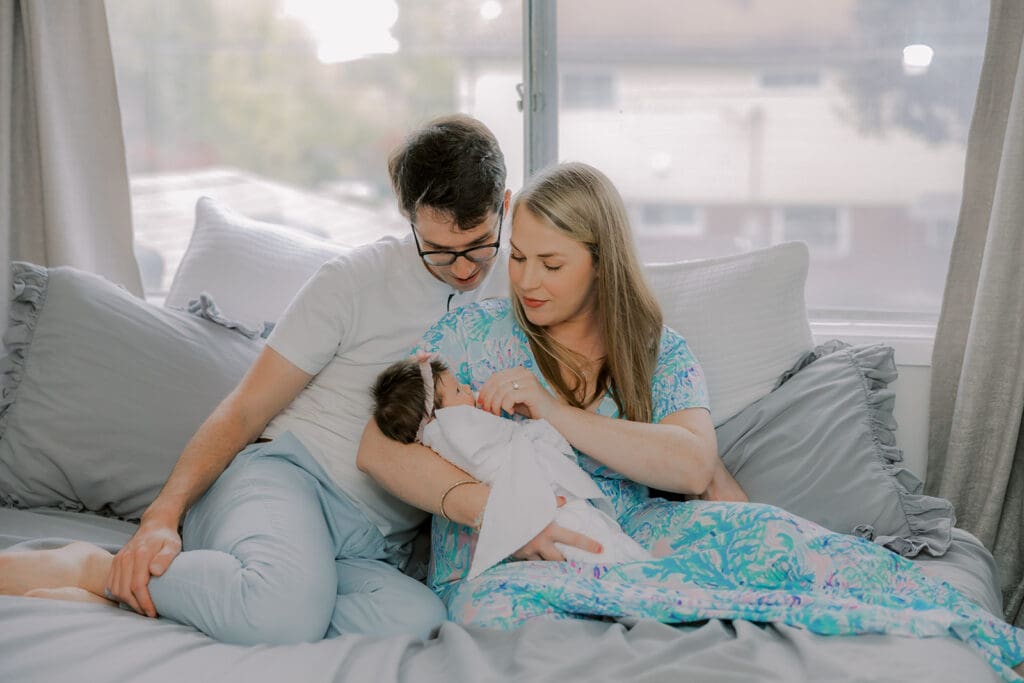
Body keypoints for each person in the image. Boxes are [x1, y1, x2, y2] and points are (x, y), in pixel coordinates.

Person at [356, 162, 1024, 679]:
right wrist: (502, 513)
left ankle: (956, 626)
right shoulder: (472, 331)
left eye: (551, 263)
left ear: (600, 260)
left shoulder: (656, 350)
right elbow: (380, 451)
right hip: (502, 557)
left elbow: (690, 463)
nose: (525, 280)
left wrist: (556, 413)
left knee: (768, 536)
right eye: (521, 256)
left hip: (637, 533)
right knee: (516, 620)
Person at [0, 114, 517, 645]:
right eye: (438, 249)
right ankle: (96, 571)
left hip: (370, 542)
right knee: (284, 614)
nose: (461, 268)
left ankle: (232, 593)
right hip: (284, 481)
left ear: (503, 207)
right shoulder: (353, 282)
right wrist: (162, 516)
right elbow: (245, 407)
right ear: (409, 219)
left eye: (478, 245)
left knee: (417, 620)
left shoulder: (517, 284)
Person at [370, 354, 650, 579]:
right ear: (433, 418)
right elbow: (504, 447)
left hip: (547, 500)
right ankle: (641, 583)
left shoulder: (442, 432)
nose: (468, 389)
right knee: (596, 545)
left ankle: (638, 578)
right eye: (458, 390)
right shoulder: (453, 428)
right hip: (543, 504)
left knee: (598, 543)